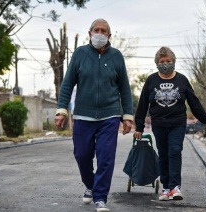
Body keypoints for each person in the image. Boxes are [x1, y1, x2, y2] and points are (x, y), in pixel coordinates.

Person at [54, 18, 133, 212]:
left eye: (103, 31)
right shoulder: (80, 54)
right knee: (82, 155)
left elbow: (125, 88)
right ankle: (90, 184)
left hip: (110, 115)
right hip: (83, 116)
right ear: (90, 34)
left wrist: (127, 115)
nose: (100, 33)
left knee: (106, 157)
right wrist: (61, 110)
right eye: (96, 30)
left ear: (109, 35)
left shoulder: (116, 56)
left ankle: (100, 198)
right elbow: (67, 84)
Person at [133, 46, 206, 201]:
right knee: (163, 155)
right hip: (158, 124)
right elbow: (143, 104)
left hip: (177, 123)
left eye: (168, 61)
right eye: (162, 61)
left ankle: (175, 187)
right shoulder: (151, 80)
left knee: (175, 151)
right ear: (157, 63)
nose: (165, 63)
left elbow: (194, 103)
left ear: (174, 61)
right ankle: (165, 188)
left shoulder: (182, 80)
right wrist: (139, 127)